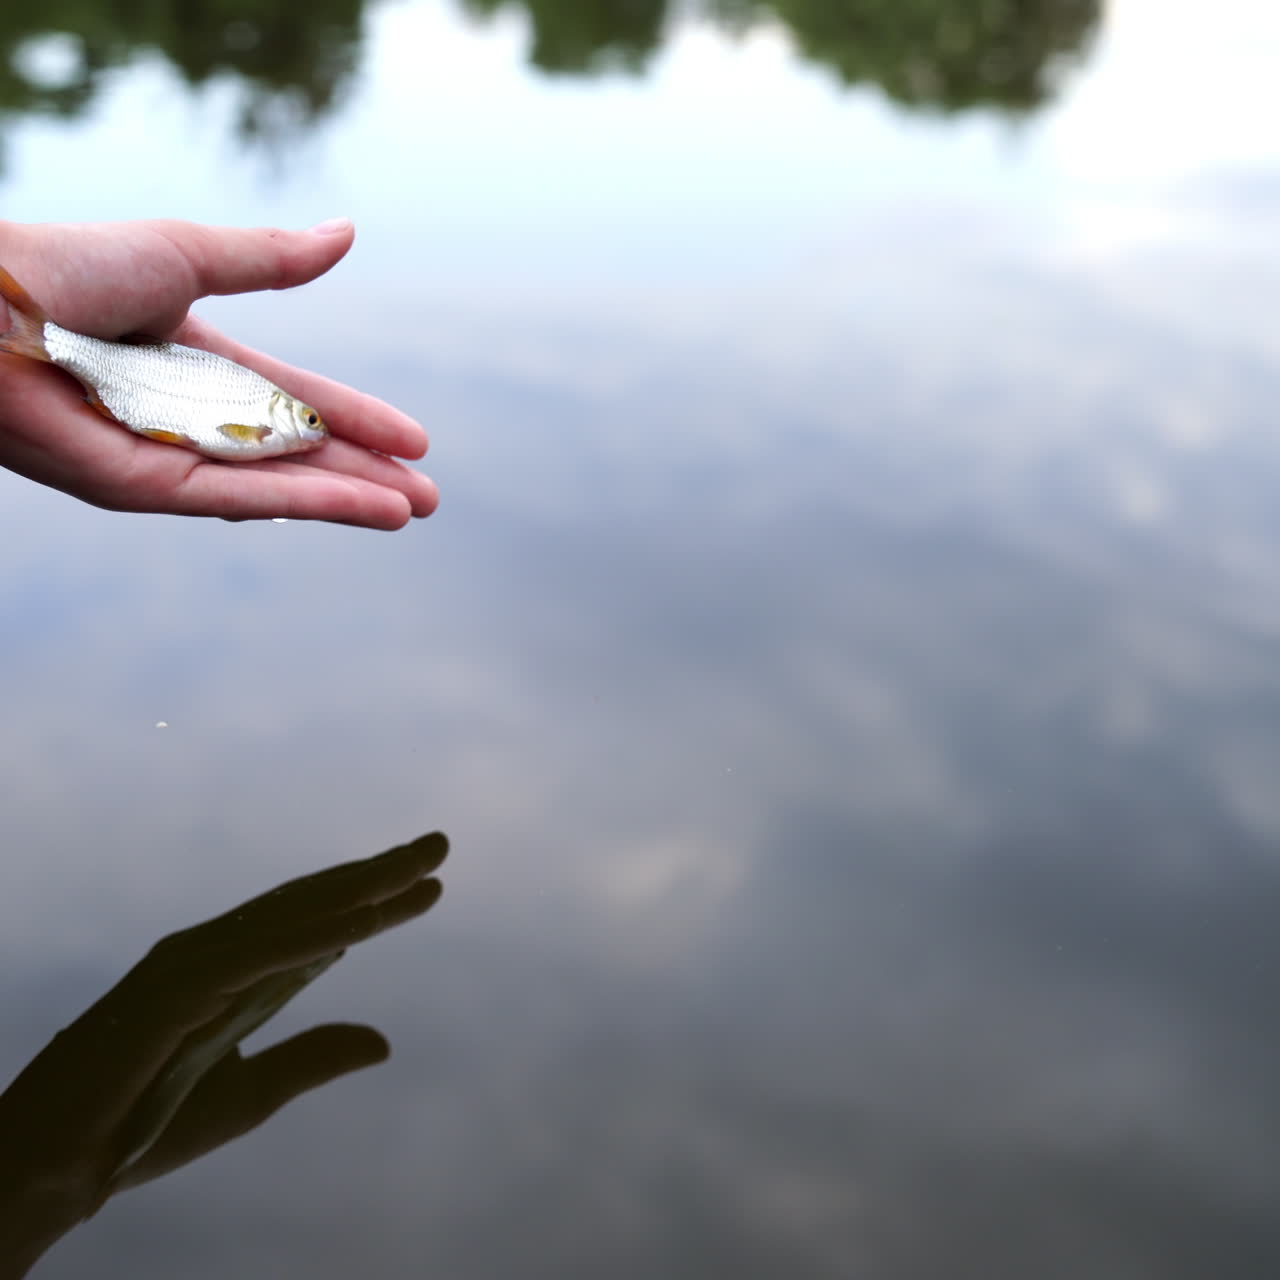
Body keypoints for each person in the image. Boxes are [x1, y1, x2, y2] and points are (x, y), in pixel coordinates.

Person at [0, 217, 438, 531]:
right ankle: (38, 339)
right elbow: (231, 433)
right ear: (284, 413)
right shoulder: (261, 425)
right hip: (129, 373)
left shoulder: (264, 424)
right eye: (310, 421)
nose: (316, 430)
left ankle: (32, 337)